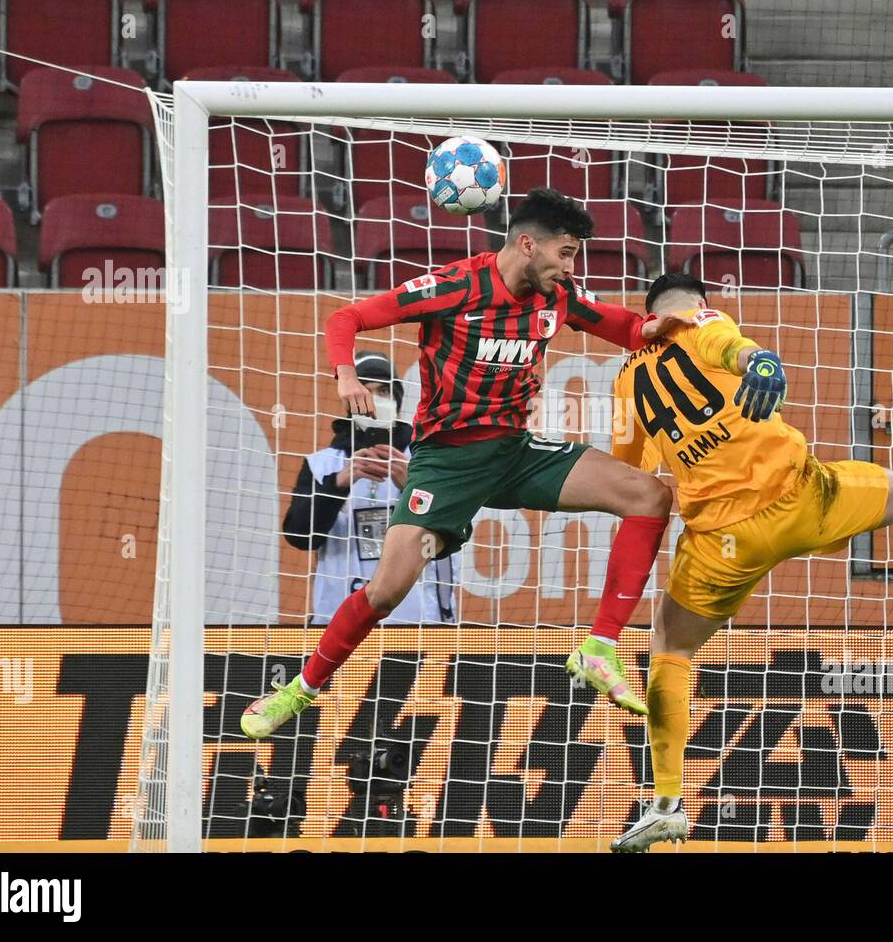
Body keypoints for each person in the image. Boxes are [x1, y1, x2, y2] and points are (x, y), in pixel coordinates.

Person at [606, 273, 893, 852]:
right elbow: (738, 349)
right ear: (699, 304)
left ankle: (666, 803)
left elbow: (628, 471)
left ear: (645, 312)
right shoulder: (702, 322)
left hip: (721, 540)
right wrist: (760, 364)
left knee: (670, 649)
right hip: (802, 497)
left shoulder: (626, 379)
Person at [241, 188, 690, 741]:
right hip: (445, 464)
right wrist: (346, 376)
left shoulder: (559, 295)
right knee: (385, 593)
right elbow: (346, 319)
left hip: (515, 454)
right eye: (567, 253)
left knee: (650, 496)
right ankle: (299, 690)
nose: (572, 266)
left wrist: (680, 325)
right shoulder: (452, 287)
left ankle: (601, 647)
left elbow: (624, 329)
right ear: (528, 244)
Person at [282, 351, 456, 627]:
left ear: (397, 398)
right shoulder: (323, 464)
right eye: (365, 389)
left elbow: (456, 529)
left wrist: (413, 487)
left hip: (420, 622)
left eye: (384, 390)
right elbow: (299, 536)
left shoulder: (430, 459)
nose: (374, 399)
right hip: (338, 622)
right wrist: (339, 482)